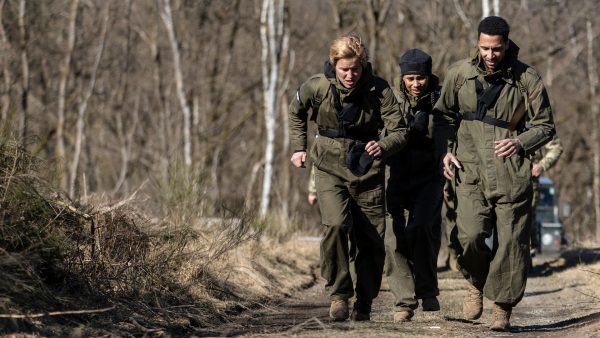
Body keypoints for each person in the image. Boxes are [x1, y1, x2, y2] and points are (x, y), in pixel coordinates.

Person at [433, 16, 555, 331]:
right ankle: (475, 280)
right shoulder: (459, 74)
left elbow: (545, 125)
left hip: (510, 171)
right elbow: (442, 116)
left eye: (496, 49)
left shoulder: (527, 78)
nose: (490, 55)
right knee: (470, 235)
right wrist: (444, 151)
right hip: (469, 168)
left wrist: (520, 142)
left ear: (506, 45)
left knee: (512, 242)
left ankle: (502, 307)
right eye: (484, 48)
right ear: (478, 43)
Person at [288, 34, 408, 322]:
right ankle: (339, 294)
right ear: (334, 65)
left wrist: (384, 145)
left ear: (363, 65)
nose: (350, 75)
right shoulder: (317, 86)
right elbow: (296, 111)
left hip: (367, 168)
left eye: (355, 69)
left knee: (370, 240)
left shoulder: (379, 90)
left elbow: (400, 131)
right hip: (328, 166)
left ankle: (365, 300)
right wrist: (299, 147)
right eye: (344, 69)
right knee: (336, 225)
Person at [385, 48, 443, 322]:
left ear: (429, 77)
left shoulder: (441, 100)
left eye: (421, 78)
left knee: (422, 229)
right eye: (410, 78)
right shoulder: (389, 99)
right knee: (394, 238)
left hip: (429, 177)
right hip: (396, 174)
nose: (416, 84)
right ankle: (403, 302)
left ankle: (427, 290)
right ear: (402, 77)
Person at [530, 135, 563, 255]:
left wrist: (541, 165)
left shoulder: (534, 117)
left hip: (528, 180)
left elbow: (556, 146)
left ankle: (528, 257)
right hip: (495, 178)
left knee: (527, 220)